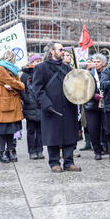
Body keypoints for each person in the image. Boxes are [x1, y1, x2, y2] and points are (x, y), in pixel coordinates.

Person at [32, 42, 82, 173]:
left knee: (69, 136)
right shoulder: (41, 68)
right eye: (60, 49)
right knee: (53, 136)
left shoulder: (67, 68)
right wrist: (46, 103)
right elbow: (37, 89)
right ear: (52, 51)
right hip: (51, 108)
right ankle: (54, 163)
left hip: (68, 106)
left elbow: (75, 86)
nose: (62, 51)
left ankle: (69, 162)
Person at [0, 51, 25, 163]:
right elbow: (15, 82)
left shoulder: (12, 69)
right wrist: (17, 86)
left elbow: (17, 83)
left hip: (12, 102)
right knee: (3, 130)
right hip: (3, 102)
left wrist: (14, 86)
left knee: (11, 129)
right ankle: (3, 152)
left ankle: (10, 151)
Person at [83, 53, 108, 160]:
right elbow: (84, 89)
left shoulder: (108, 73)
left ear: (104, 63)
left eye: (99, 62)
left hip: (105, 105)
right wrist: (95, 96)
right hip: (91, 105)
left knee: (107, 128)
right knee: (93, 129)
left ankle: (105, 147)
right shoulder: (89, 74)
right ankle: (97, 151)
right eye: (95, 62)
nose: (96, 64)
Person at [20, 53, 44, 160]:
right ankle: (32, 151)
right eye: (36, 61)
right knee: (31, 130)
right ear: (31, 62)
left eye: (40, 61)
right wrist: (27, 99)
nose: (38, 63)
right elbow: (22, 89)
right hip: (30, 105)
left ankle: (39, 150)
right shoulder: (25, 75)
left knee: (40, 130)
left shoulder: (42, 73)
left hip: (40, 105)